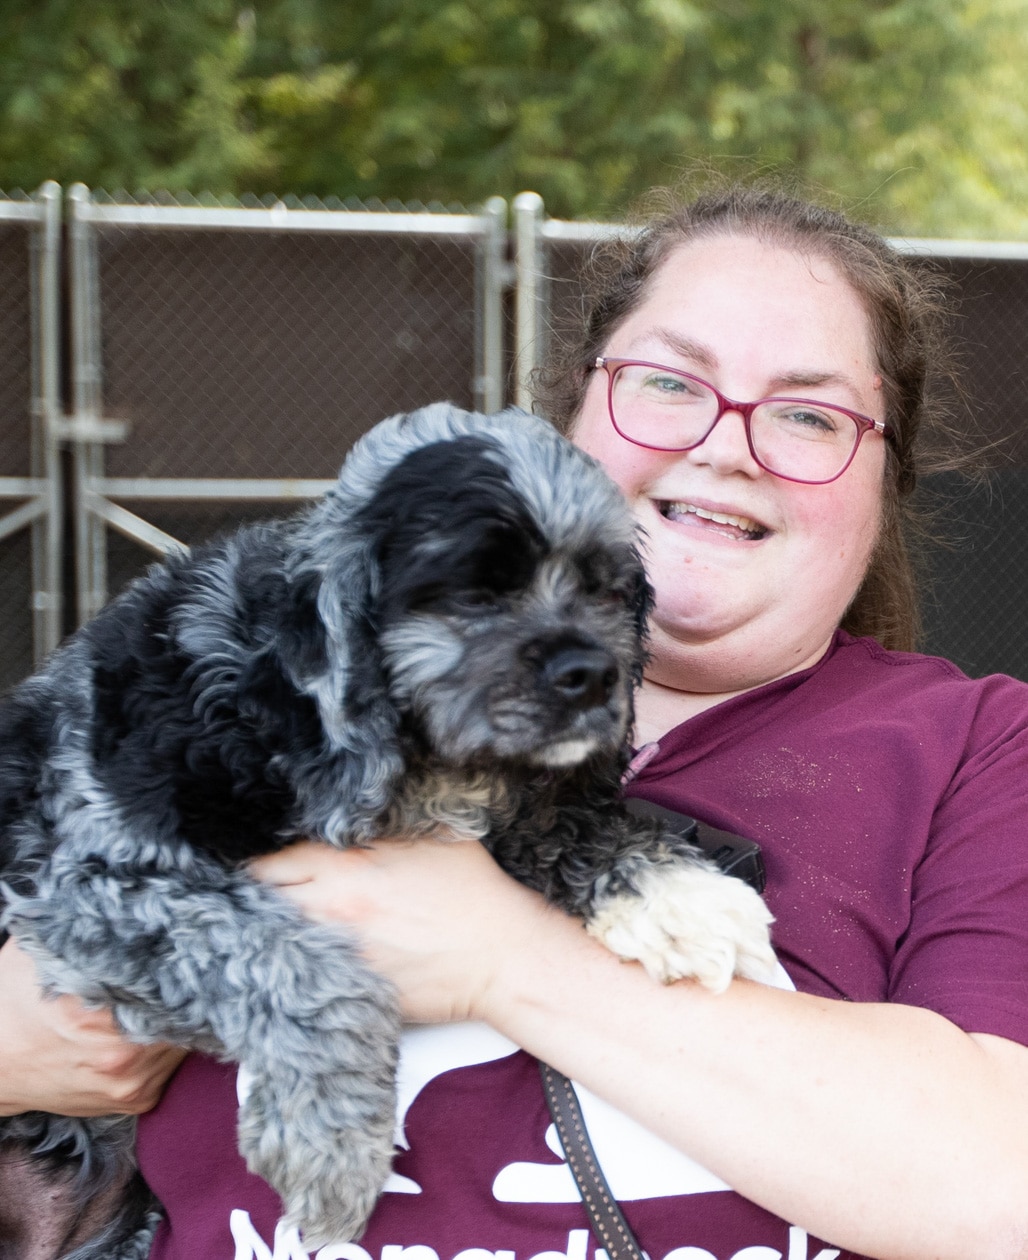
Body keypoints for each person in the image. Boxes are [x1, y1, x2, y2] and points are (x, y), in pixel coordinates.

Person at [7, 185, 1028, 1260]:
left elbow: (1002, 1185)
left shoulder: (977, 747)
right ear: (575, 412)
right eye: (669, 382)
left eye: (808, 415)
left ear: (886, 480)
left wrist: (502, 956)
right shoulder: (289, 670)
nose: (727, 447)